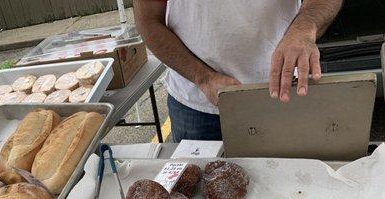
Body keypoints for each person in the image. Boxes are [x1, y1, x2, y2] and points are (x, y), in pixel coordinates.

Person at [133, 0, 343, 142]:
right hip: (197, 106)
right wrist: (203, 77)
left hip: (283, 93)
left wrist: (305, 27)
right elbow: (148, 20)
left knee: (292, 191)